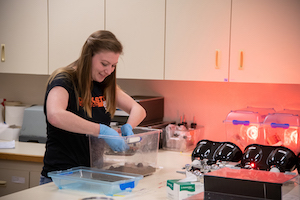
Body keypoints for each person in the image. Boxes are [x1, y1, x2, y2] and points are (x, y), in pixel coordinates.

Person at [39, 30, 146, 185]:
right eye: (104, 64)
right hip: (60, 177)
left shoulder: (104, 85)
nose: (109, 71)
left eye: (113, 65)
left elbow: (138, 109)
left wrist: (128, 127)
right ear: (88, 57)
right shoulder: (64, 80)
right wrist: (102, 130)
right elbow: (55, 115)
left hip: (92, 175)